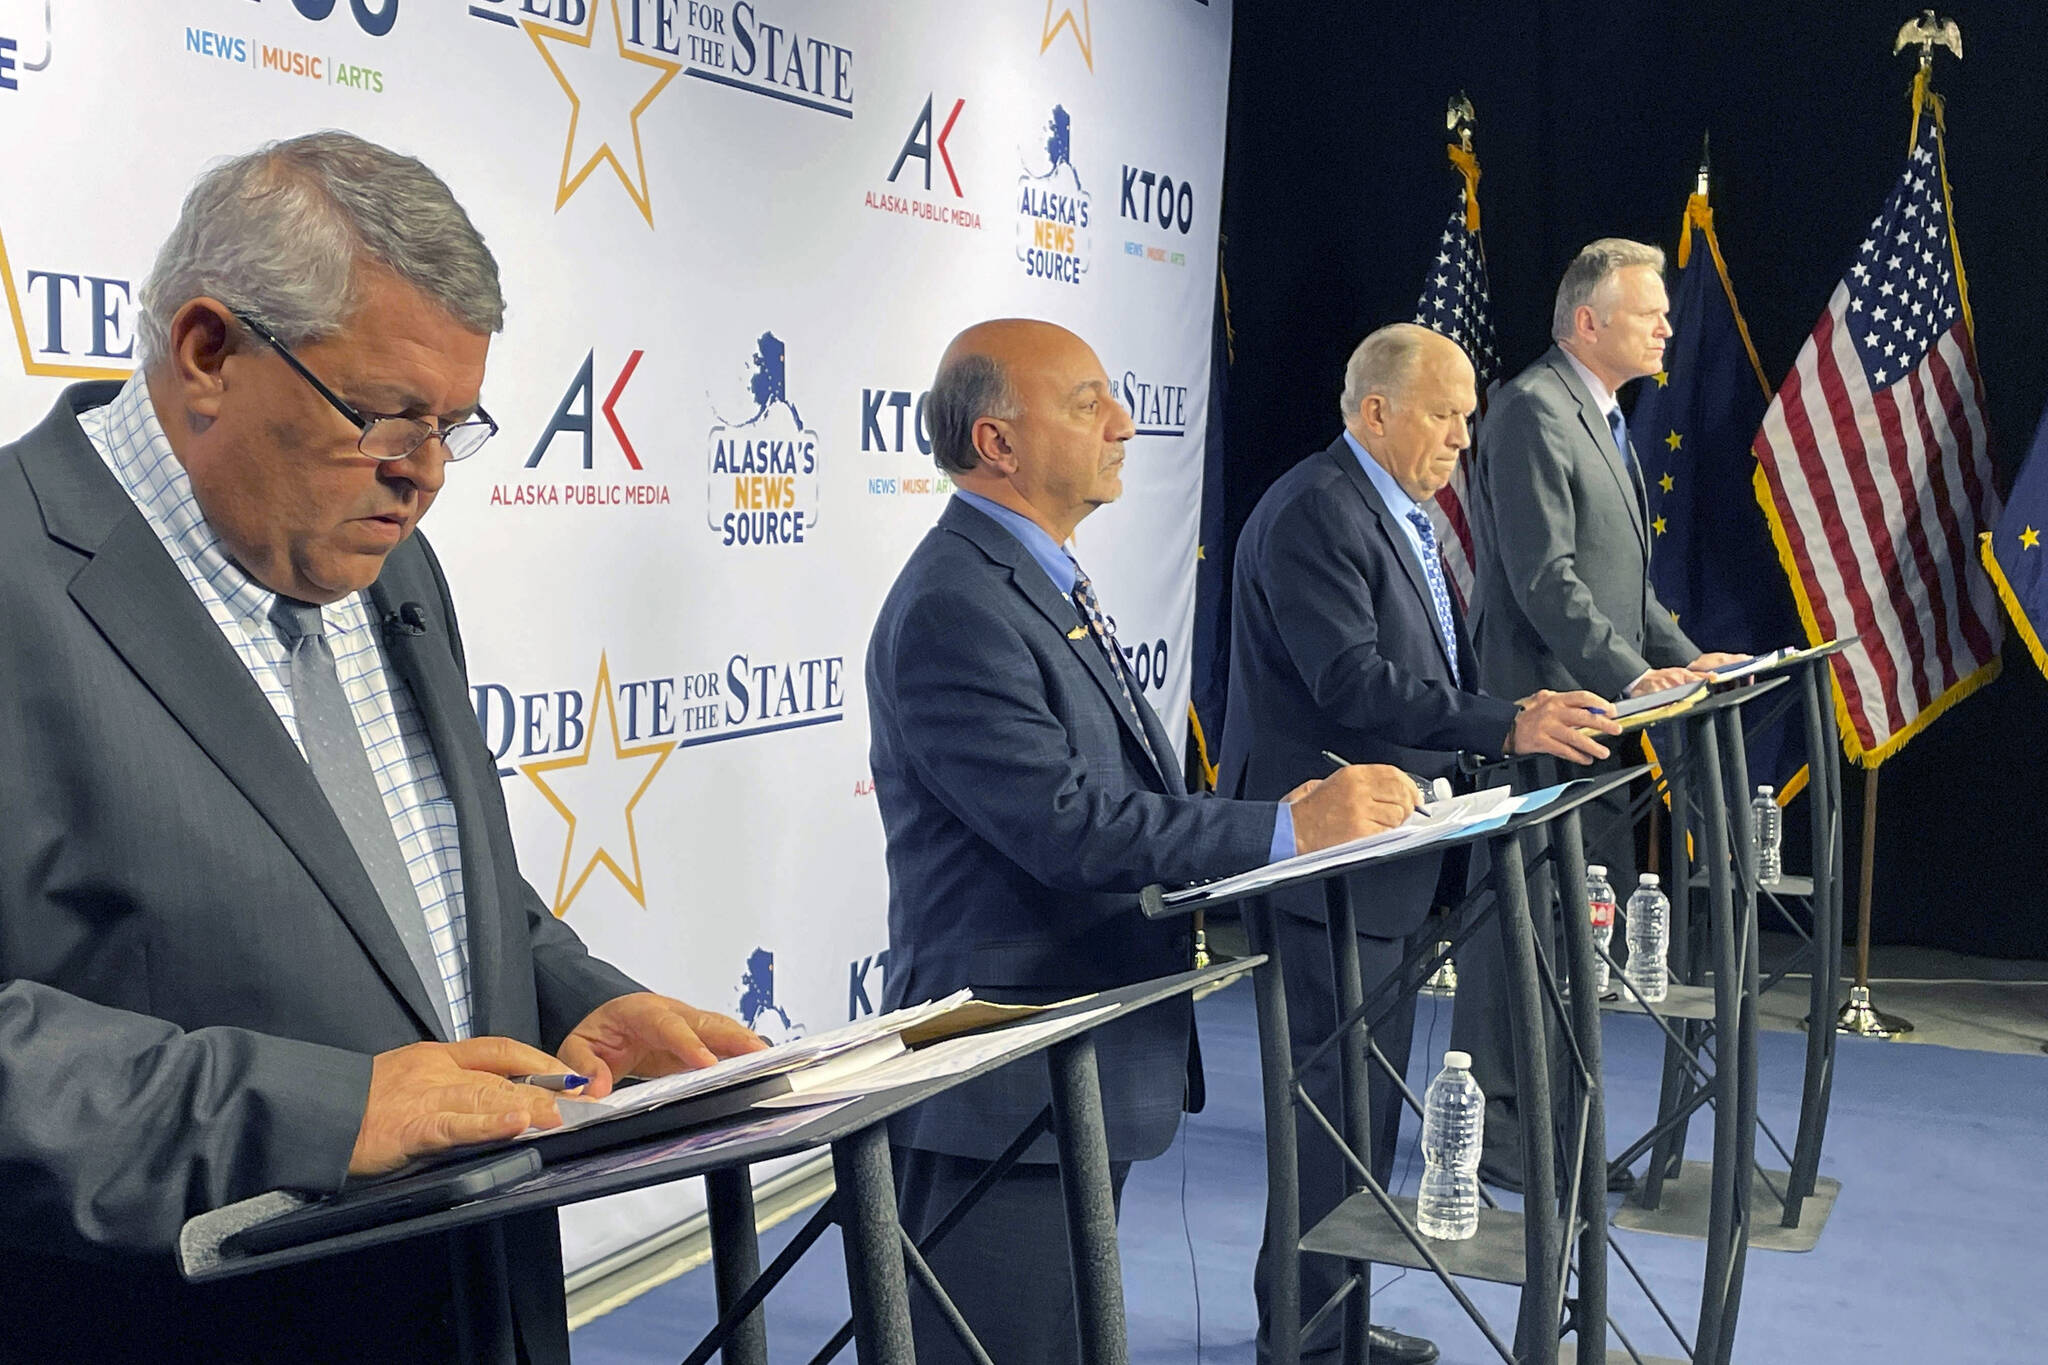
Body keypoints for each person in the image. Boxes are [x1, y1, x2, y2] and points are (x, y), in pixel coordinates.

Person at [0, 132, 763, 1364]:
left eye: (453, 427)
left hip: (479, 1306)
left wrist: (577, 1000)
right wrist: (322, 1112)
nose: (422, 478)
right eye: (385, 415)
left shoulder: (387, 558)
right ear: (207, 352)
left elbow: (428, 886)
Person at [866, 317, 1422, 1364]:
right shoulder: (956, 604)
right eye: (1087, 404)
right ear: (998, 444)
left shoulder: (1028, 579)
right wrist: (1278, 828)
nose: (1124, 423)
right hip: (1003, 1081)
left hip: (1067, 1062)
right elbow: (1065, 827)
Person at [1221, 323, 1619, 1364]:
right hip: (1325, 868)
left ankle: (1330, 1318)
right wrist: (1504, 721)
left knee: (1359, 1114)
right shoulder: (1318, 510)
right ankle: (1304, 1338)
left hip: (1386, 864)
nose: (1460, 437)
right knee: (1330, 1116)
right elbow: (1346, 679)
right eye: (1443, 415)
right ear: (1374, 412)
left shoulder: (1393, 512)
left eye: (1466, 417)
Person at [1460, 239, 1739, 1185]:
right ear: (1589, 322)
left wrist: (1684, 660)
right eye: (1650, 310)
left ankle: (1560, 1128)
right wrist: (1634, 678)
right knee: (1522, 933)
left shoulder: (1605, 415)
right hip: (1541, 716)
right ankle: (1502, 1138)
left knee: (1577, 930)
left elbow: (1625, 587)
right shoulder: (1535, 410)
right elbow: (1549, 583)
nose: (1668, 325)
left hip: (1596, 725)